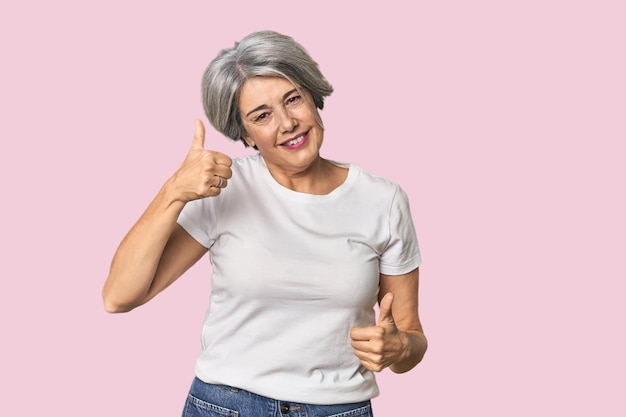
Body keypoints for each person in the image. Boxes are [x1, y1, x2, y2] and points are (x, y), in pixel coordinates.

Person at [102, 30, 427, 417]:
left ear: (313, 97)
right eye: (262, 116)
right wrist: (173, 191)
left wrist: (400, 348)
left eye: (293, 99)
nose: (288, 123)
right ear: (245, 134)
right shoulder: (223, 188)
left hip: (337, 409)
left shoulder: (383, 200)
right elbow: (119, 296)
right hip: (225, 406)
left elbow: (411, 338)